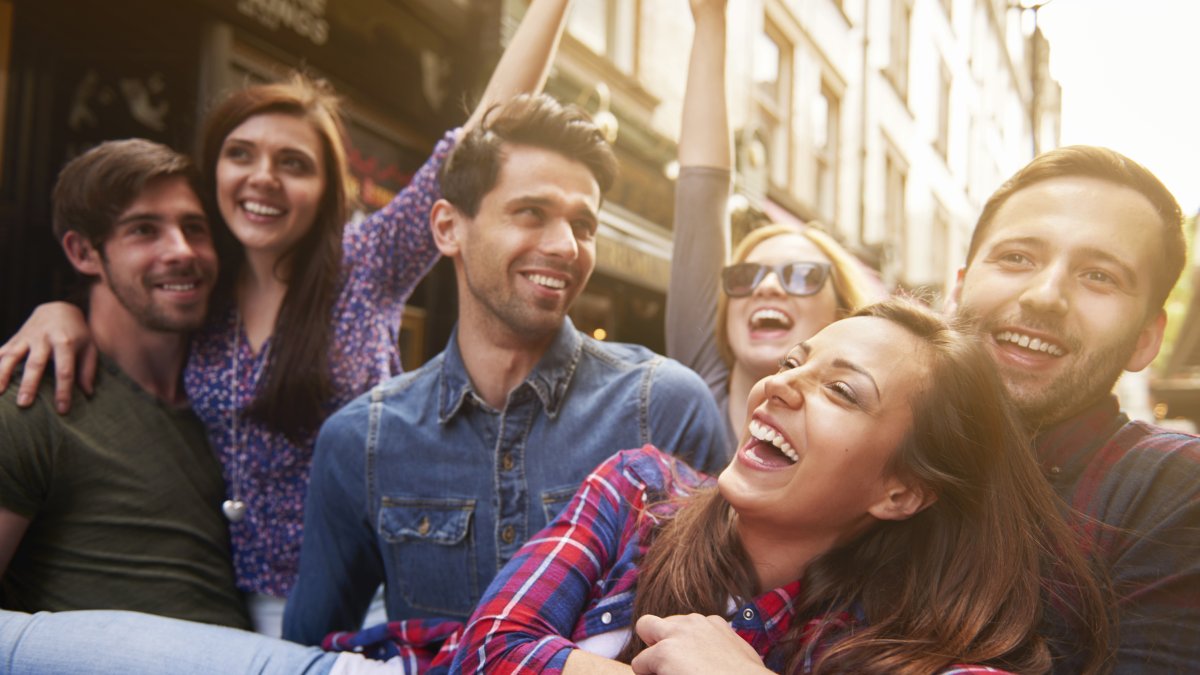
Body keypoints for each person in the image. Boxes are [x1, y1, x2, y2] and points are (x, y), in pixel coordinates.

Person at [0, 300, 1111, 674]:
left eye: (844, 388)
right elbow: (495, 642)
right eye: (794, 362)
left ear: (905, 491)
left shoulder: (898, 643)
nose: (783, 383)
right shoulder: (642, 484)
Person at [0, 0, 579, 635]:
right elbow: (121, 310)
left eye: (293, 163)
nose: (263, 178)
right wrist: (58, 313)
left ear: (326, 186)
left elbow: (480, 134)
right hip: (242, 606)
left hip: (379, 591)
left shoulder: (365, 262)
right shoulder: (200, 284)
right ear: (214, 171)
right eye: (240, 154)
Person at [282, 93, 726, 644]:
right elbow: (308, 650)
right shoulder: (362, 441)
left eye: (583, 224)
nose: (566, 246)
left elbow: (728, 621)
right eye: (531, 213)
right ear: (448, 228)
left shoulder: (665, 407)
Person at [950, 145, 1200, 673]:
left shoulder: (1171, 491)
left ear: (1145, 340)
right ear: (958, 288)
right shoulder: (869, 445)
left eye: (1100, 276)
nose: (1045, 295)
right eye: (1017, 257)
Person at [0, 139, 247, 628]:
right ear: (83, 252)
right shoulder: (30, 402)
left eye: (193, 228)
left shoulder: (225, 403)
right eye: (143, 230)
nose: (181, 251)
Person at [666, 0, 880, 447]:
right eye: (747, 276)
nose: (765, 288)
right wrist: (711, 20)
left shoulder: (862, 442)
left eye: (801, 276)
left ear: (843, 315)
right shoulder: (699, 389)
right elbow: (701, 195)